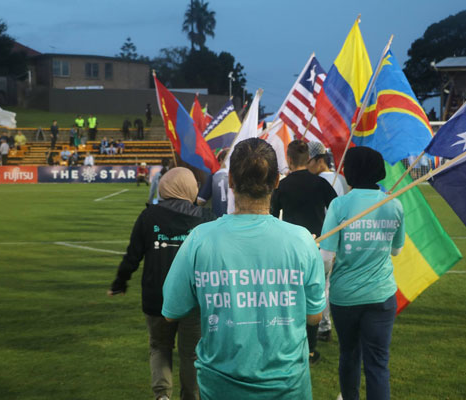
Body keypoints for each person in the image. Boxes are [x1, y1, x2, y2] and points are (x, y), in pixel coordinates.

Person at [161, 138, 326, 400]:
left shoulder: (200, 238)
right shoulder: (302, 240)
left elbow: (171, 311)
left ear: (230, 182)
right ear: (275, 182)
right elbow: (313, 317)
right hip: (286, 385)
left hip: (222, 385)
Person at [109, 167, 215, 400]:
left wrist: (120, 282)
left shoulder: (148, 217)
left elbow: (132, 256)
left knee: (159, 347)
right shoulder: (205, 218)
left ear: (164, 187)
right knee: (192, 355)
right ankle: (191, 396)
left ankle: (162, 396)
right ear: (191, 188)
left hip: (157, 297)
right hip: (193, 299)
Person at [320, 147, 404, 400]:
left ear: (350, 172)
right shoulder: (394, 203)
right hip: (381, 295)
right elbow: (396, 250)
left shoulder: (340, 204)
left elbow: (326, 258)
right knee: (378, 364)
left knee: (349, 354)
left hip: (345, 296)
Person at [270, 139, 337, 364]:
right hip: (317, 247)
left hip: (289, 249)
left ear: (288, 159)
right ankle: (310, 349)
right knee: (313, 298)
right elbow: (336, 209)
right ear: (308, 158)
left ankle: (291, 342)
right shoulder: (319, 183)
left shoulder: (282, 185)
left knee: (290, 297)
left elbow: (271, 216)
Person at [196, 149, 229, 217]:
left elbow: (200, 201)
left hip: (217, 219)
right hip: (236, 221)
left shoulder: (213, 176)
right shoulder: (240, 177)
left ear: (220, 161)